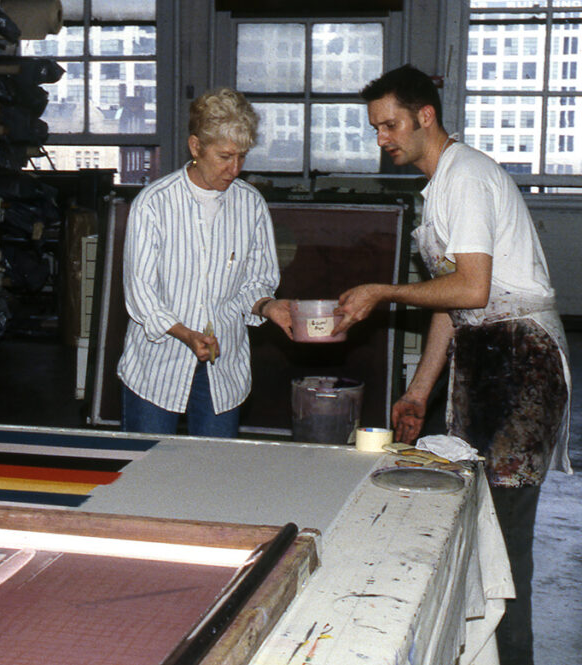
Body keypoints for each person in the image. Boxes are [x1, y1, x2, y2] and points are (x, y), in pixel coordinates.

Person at [334, 65, 570, 665]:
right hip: (486, 361)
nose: (381, 137)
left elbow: (470, 289)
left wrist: (383, 292)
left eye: (389, 125)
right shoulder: (439, 187)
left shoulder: (465, 176)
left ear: (425, 116)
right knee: (476, 529)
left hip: (521, 366)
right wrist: (419, 393)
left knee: (505, 545)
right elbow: (453, 298)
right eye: (375, 127)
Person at [117, 87, 292, 437]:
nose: (235, 169)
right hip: (157, 365)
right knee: (146, 473)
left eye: (242, 157)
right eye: (225, 156)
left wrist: (268, 306)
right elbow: (141, 293)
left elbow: (254, 283)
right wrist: (184, 333)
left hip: (223, 368)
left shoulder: (251, 205)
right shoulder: (154, 204)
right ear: (196, 147)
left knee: (215, 475)